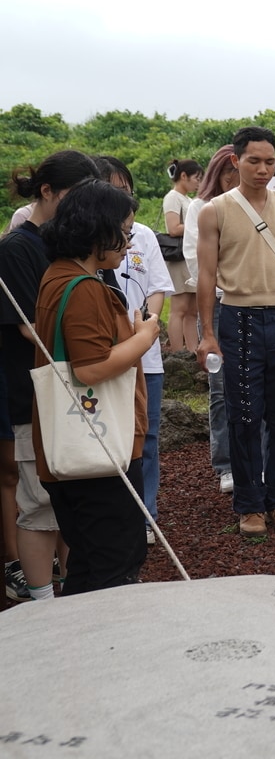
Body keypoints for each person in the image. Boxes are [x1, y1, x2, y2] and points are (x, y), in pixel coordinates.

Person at [34, 179, 161, 593]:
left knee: (88, 562)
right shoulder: (85, 288)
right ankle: (108, 652)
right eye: (123, 232)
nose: (128, 242)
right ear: (96, 231)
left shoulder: (58, 275)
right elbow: (90, 369)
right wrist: (144, 337)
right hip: (100, 450)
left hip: (71, 449)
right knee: (114, 561)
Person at [196, 126, 275, 536]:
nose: (263, 169)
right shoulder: (215, 210)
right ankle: (249, 503)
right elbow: (205, 275)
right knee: (245, 414)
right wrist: (208, 335)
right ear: (235, 161)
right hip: (239, 318)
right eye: (254, 161)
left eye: (270, 162)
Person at [1, 150, 98, 601]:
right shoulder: (18, 247)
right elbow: (28, 326)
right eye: (76, 197)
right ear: (46, 191)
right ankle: (40, 599)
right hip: (34, 391)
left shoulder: (66, 243)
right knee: (38, 503)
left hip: (70, 388)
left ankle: (67, 585)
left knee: (67, 501)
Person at [108, 166, 174, 544]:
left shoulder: (143, 235)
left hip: (144, 355)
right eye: (113, 189)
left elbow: (158, 287)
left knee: (145, 437)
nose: (122, 197)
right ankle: (117, 514)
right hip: (107, 356)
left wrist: (147, 324)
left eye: (126, 189)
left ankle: (146, 515)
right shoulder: (87, 241)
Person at [183, 145, 238, 496]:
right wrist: (228, 285)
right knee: (220, 389)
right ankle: (225, 464)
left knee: (255, 384)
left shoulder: (258, 205)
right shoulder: (200, 208)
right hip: (217, 304)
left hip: (251, 304)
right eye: (231, 176)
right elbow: (194, 259)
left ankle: (256, 461)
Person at [162, 158, 203, 352]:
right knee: (179, 308)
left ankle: (192, 351)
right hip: (179, 259)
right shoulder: (173, 197)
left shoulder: (188, 199)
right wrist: (198, 225)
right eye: (196, 178)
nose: (198, 183)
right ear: (183, 176)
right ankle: (178, 351)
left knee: (192, 310)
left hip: (190, 258)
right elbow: (173, 228)